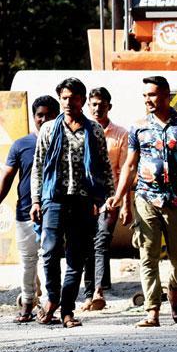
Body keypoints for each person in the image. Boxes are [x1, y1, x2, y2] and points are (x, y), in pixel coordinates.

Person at [106, 76, 177, 328]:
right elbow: (130, 165)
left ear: (166, 95)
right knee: (147, 255)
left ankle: (174, 290)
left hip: (176, 200)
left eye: (152, 95)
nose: (147, 100)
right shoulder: (138, 127)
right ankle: (152, 310)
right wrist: (119, 196)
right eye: (144, 96)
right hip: (146, 199)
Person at [30, 78, 115, 329]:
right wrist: (36, 200)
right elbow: (38, 167)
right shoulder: (48, 130)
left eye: (74, 98)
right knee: (49, 251)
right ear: (60, 98)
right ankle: (52, 299)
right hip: (54, 199)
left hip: (82, 201)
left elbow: (103, 166)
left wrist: (108, 197)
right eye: (64, 98)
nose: (68, 102)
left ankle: (67, 309)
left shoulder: (94, 130)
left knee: (76, 257)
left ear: (81, 100)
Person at [3, 96, 57, 323]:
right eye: (39, 115)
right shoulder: (21, 144)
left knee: (49, 260)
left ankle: (50, 306)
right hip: (25, 211)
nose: (43, 120)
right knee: (27, 261)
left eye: (48, 115)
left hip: (54, 211)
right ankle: (27, 304)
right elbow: (7, 176)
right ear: (33, 117)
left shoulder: (62, 142)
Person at [80, 87, 130, 311]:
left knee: (101, 240)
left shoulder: (120, 134)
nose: (97, 108)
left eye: (101, 104)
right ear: (87, 106)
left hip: (110, 197)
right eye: (93, 104)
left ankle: (98, 290)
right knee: (85, 242)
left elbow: (125, 172)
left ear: (109, 106)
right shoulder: (81, 132)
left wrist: (125, 203)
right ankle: (89, 291)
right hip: (83, 198)